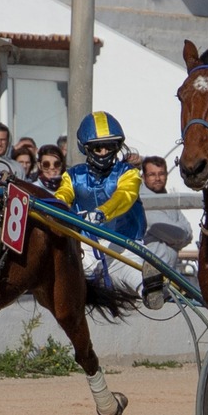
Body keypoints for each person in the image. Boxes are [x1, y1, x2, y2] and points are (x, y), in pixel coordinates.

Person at [54, 112, 158, 305]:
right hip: (85, 247)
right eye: (97, 148)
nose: (103, 152)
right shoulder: (72, 176)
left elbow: (124, 196)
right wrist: (57, 211)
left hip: (124, 246)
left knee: (136, 274)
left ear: (117, 146)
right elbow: (62, 197)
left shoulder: (129, 174)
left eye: (109, 146)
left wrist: (101, 213)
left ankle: (150, 289)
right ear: (86, 149)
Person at [139, 155, 193, 293]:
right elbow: (179, 234)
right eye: (152, 174)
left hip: (169, 278)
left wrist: (175, 238)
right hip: (147, 279)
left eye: (161, 174)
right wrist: (177, 238)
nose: (157, 178)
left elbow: (188, 232)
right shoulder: (142, 201)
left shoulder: (169, 199)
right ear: (144, 177)